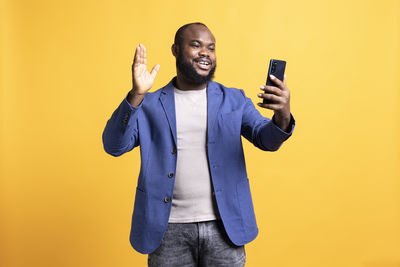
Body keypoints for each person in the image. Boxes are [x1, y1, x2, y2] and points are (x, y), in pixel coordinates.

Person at [102, 22, 295, 267]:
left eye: (211, 48)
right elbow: (114, 145)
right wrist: (136, 95)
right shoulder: (148, 104)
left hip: (225, 228)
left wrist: (282, 114)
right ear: (175, 50)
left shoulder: (234, 99)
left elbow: (266, 140)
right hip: (167, 230)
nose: (205, 52)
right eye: (196, 45)